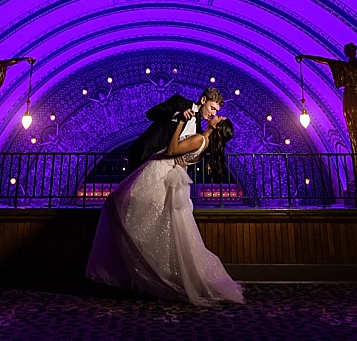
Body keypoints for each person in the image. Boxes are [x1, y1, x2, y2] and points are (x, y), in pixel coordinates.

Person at [86, 113, 244, 306]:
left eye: (218, 117)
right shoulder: (204, 142)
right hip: (164, 175)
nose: (215, 115)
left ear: (217, 127)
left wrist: (180, 123)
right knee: (156, 223)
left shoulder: (200, 139)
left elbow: (172, 150)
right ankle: (144, 269)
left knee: (121, 205)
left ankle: (144, 269)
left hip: (160, 173)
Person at [125, 87, 224, 169]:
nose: (214, 113)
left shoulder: (198, 131)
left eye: (216, 111)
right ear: (203, 100)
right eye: (212, 108)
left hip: (163, 169)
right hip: (145, 154)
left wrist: (184, 164)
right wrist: (176, 115)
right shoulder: (179, 102)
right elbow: (151, 113)